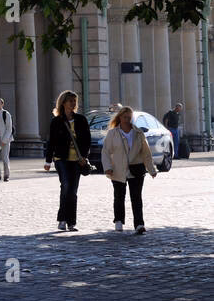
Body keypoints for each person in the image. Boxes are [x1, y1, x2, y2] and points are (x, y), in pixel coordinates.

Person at [101, 105, 157, 234]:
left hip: (137, 168)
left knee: (136, 197)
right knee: (119, 196)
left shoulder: (138, 133)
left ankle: (139, 224)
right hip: (118, 169)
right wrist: (108, 167)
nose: (127, 120)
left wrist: (151, 169)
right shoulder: (113, 133)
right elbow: (105, 152)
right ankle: (119, 220)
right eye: (125, 117)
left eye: (129, 118)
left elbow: (146, 153)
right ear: (119, 117)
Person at [43, 90, 92, 232]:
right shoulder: (56, 122)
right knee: (65, 186)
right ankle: (62, 219)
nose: (73, 103)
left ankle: (71, 222)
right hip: (61, 158)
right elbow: (51, 141)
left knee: (73, 191)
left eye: (75, 101)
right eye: (70, 101)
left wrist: (84, 156)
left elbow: (87, 141)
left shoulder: (81, 120)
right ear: (63, 103)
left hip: (77, 160)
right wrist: (47, 161)